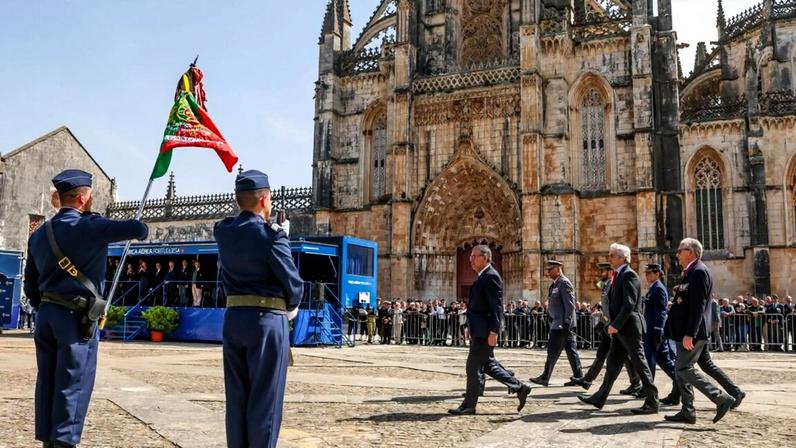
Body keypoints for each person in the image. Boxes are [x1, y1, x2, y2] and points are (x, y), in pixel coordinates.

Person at [24, 169, 148, 447]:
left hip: (45, 315)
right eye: (90, 196)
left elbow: (30, 285)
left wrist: (42, 307)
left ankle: (48, 440)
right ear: (82, 199)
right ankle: (65, 441)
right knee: (73, 381)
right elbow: (139, 230)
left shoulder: (40, 234)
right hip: (75, 318)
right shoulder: (90, 226)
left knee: (48, 380)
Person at [214, 169, 304, 448]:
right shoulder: (272, 236)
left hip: (234, 320)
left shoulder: (223, 231)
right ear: (265, 199)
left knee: (237, 398)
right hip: (266, 322)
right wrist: (282, 239)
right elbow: (293, 284)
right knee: (266, 399)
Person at [448, 245, 531, 415]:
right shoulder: (483, 276)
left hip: (486, 331)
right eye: (470, 256)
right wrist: (470, 327)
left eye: (474, 256)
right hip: (479, 330)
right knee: (488, 365)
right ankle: (520, 388)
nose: (470, 259)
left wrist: (494, 331)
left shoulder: (491, 276)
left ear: (485, 258)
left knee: (472, 366)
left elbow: (496, 308)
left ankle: (469, 405)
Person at [578, 243, 659, 415]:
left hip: (628, 327)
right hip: (621, 329)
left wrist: (615, 324)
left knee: (640, 364)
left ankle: (652, 400)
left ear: (623, 258)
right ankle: (600, 397)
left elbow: (629, 304)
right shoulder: (618, 275)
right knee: (613, 364)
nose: (609, 258)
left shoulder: (629, 275)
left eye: (612, 255)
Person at [663, 237, 737, 424]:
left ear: (691, 252)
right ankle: (688, 411)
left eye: (680, 250)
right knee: (682, 370)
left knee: (683, 368)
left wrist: (690, 333)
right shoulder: (691, 272)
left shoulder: (699, 272)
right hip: (685, 330)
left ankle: (721, 398)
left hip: (692, 332)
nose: (677, 253)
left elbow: (698, 306)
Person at [571, 262, 640, 393]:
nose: (600, 274)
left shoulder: (613, 284)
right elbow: (606, 308)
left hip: (614, 326)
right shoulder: (607, 284)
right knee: (602, 353)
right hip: (608, 326)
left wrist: (607, 323)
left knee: (626, 357)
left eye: (602, 271)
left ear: (609, 271)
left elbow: (615, 308)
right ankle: (588, 380)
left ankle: (638, 384)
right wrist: (602, 323)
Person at [529, 260, 583, 387]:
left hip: (561, 324)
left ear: (558, 269)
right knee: (571, 350)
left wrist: (567, 321)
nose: (548, 272)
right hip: (557, 322)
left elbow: (569, 305)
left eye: (550, 269)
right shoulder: (555, 284)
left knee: (552, 350)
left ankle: (545, 377)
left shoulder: (564, 283)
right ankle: (579, 376)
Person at [642, 263, 680, 405]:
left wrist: (658, 329)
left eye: (649, 273)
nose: (647, 275)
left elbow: (661, 311)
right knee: (665, 363)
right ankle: (680, 388)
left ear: (657, 273)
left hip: (654, 332)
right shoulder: (653, 288)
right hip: (652, 331)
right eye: (646, 273)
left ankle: (650, 399)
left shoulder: (659, 289)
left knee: (650, 363)